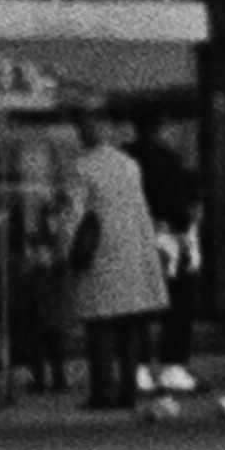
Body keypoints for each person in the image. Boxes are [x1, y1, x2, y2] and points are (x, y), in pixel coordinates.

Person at [64, 106, 170, 411]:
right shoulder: (129, 165)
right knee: (128, 328)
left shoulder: (81, 168)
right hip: (132, 253)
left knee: (100, 328)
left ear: (88, 133)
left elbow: (74, 213)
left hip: (99, 254)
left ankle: (102, 392)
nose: (81, 134)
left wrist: (66, 250)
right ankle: (128, 390)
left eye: (83, 129)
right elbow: (140, 211)